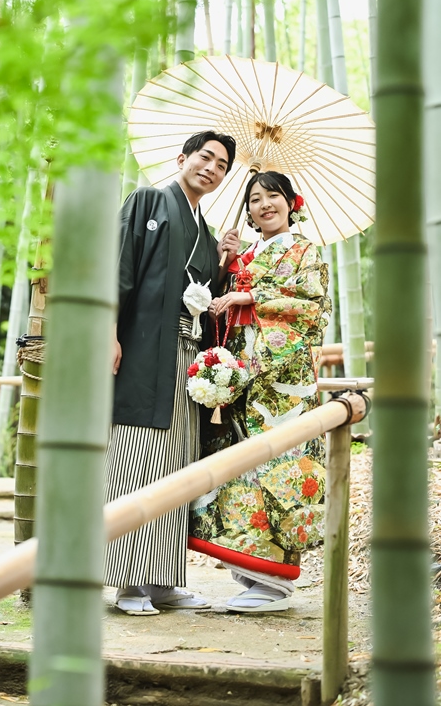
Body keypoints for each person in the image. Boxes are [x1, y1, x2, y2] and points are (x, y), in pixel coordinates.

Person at [106, 130, 241, 615]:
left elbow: (203, 297)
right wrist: (109, 332)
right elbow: (119, 268)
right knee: (137, 455)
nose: (212, 168)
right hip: (145, 350)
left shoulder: (207, 231)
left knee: (178, 461)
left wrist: (224, 263)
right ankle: (129, 583)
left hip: (187, 358)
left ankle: (163, 580)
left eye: (221, 165)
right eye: (205, 157)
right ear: (182, 157)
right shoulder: (147, 201)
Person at [189, 170, 331, 614]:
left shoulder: (305, 251)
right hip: (240, 378)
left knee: (279, 467)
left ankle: (277, 583)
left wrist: (251, 298)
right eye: (255, 199)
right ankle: (251, 575)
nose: (264, 204)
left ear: (291, 202)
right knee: (238, 470)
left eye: (273, 196)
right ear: (248, 210)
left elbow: (314, 309)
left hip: (282, 385)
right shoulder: (245, 254)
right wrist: (225, 265)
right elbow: (217, 308)